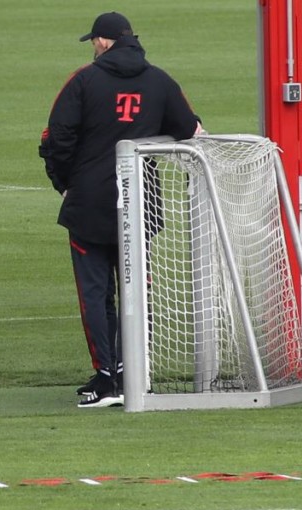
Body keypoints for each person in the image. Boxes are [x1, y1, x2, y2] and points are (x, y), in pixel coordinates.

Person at [39, 12, 202, 408]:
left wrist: (65, 183)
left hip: (90, 202)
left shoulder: (83, 80)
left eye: (94, 41)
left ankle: (106, 378)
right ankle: (133, 373)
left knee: (95, 293)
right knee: (136, 289)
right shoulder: (160, 81)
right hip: (141, 201)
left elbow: (55, 138)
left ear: (104, 41)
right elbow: (193, 132)